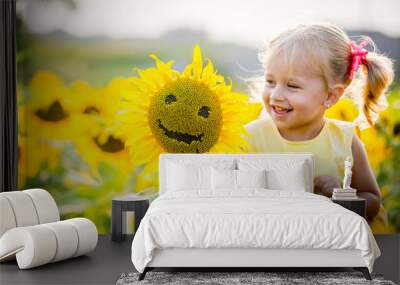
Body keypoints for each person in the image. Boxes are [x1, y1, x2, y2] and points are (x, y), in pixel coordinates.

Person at [245, 22, 394, 222]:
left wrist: (341, 198)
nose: (276, 95)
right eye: (270, 81)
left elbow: (373, 201)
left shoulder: (345, 140)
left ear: (331, 96)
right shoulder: (250, 138)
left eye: (292, 85)